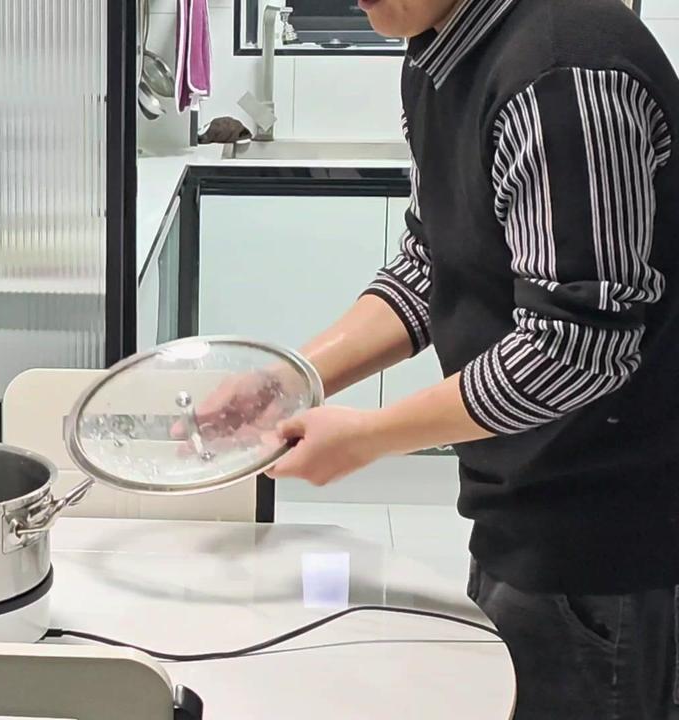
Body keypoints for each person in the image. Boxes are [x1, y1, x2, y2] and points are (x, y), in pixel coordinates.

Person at [197, 0, 679, 716]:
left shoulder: (562, 71)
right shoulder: (438, 51)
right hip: (520, 502)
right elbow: (433, 265)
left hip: (604, 534)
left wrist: (369, 437)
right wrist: (291, 380)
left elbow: (575, 347)